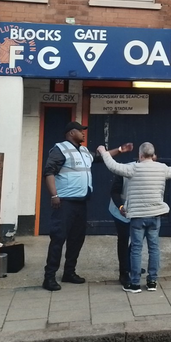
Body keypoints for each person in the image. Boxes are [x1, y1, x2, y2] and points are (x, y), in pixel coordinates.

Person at [42, 121, 132, 291]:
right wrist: (54, 195)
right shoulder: (59, 149)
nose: (84, 134)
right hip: (64, 202)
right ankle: (49, 277)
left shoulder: (83, 151)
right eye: (80, 131)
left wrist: (120, 150)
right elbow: (49, 172)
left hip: (81, 203)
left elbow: (100, 157)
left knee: (77, 239)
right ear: (71, 133)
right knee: (58, 239)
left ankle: (69, 272)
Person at [99, 142, 171, 292]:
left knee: (136, 249)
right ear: (153, 156)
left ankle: (134, 283)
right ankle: (152, 281)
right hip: (155, 216)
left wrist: (103, 151)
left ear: (140, 155)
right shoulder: (161, 168)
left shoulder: (133, 168)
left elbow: (112, 165)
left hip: (137, 216)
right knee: (154, 249)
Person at [108, 174, 131, 288]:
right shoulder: (124, 172)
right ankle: (124, 272)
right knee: (123, 238)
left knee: (138, 238)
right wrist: (121, 206)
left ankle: (131, 264)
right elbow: (114, 192)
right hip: (120, 211)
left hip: (138, 211)